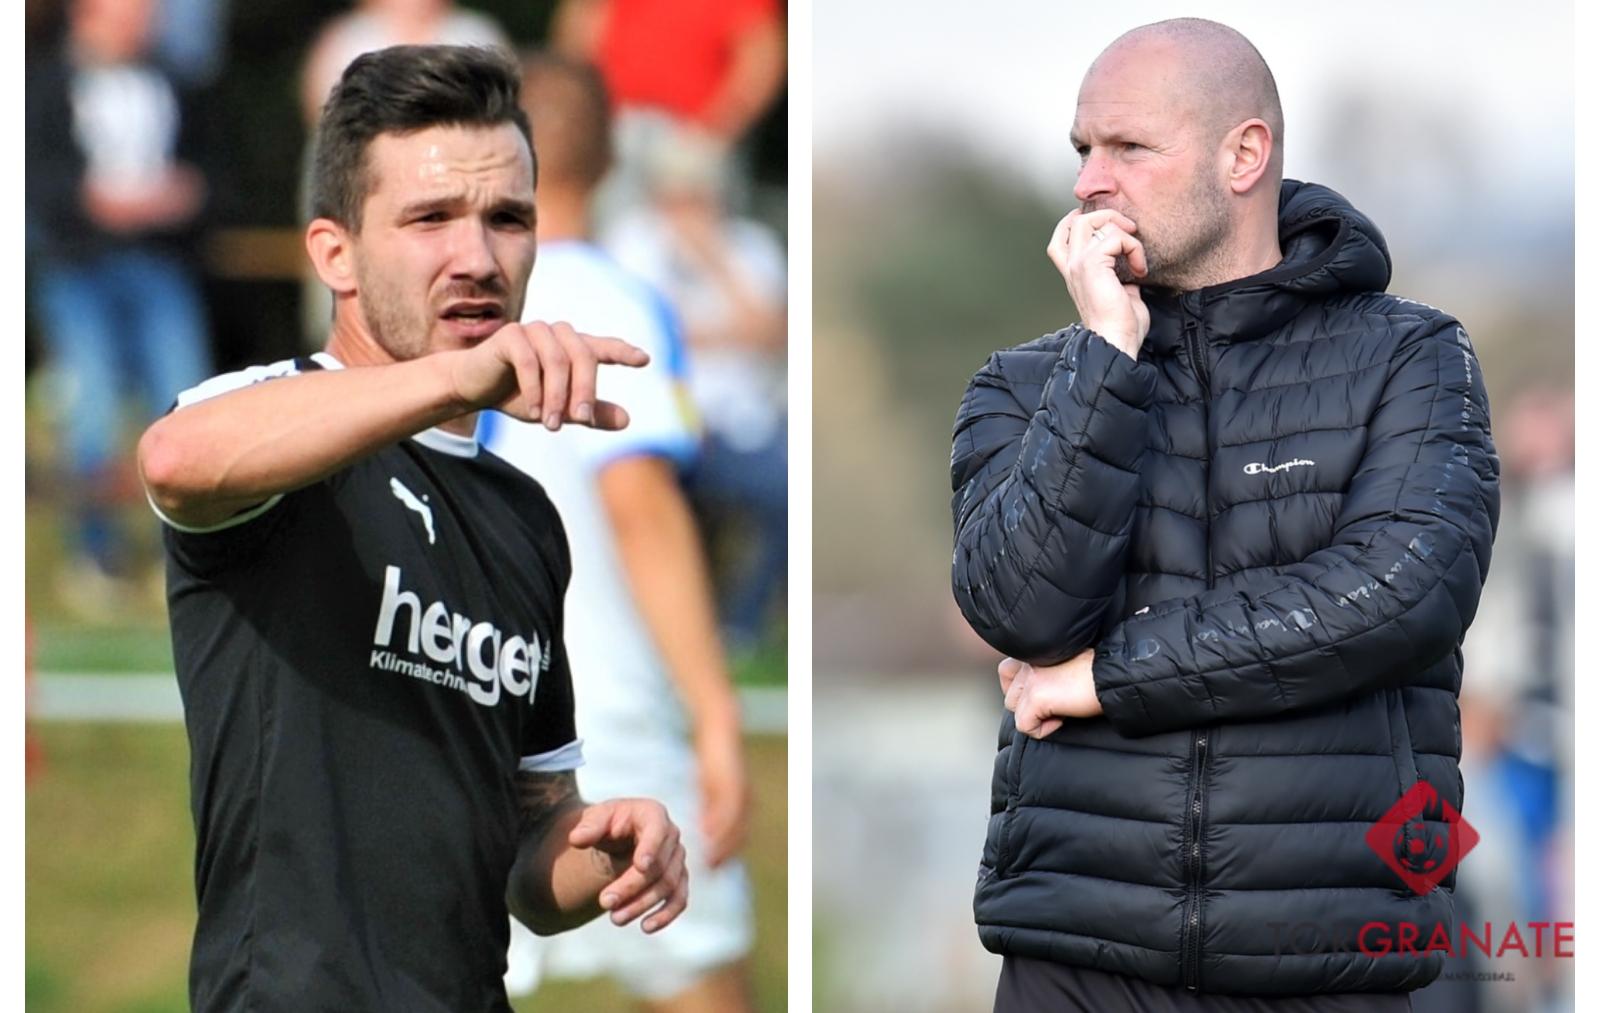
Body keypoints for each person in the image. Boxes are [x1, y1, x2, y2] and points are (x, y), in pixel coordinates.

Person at [948, 19, 1499, 1010]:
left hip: (1325, 957)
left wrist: (1105, 677)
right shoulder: (1028, 385)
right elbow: (1020, 610)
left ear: (1243, 156)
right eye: (1083, 148)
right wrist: (1104, 359)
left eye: (1129, 147)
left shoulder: (1410, 356)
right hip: (1073, 956)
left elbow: (1393, 598)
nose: (1089, 182)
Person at [137, 45, 688, 1012]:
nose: (477, 259)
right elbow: (176, 461)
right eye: (430, 219)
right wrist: (453, 377)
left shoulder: (525, 519)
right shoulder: (272, 422)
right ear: (334, 254)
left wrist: (604, 849)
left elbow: (528, 849)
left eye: (507, 218)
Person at [485, 54, 755, 1011]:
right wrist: (716, 713)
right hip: (604, 712)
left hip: (466, 706)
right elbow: (640, 512)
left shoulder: (451, 303)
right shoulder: (612, 300)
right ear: (609, 160)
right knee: (702, 975)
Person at [26, 0, 213, 606]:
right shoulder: (43, 83)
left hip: (160, 264)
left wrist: (187, 195)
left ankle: (186, 552)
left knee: (186, 406)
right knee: (94, 410)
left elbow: (210, 173)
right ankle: (95, 553)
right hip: (79, 267)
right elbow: (36, 181)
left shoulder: (175, 81)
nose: (144, 20)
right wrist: (89, 203)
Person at [604, 125, 788, 650]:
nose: (686, 210)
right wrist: (726, 331)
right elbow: (645, 335)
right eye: (676, 196)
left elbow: (772, 332)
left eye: (698, 196)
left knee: (789, 491)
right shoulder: (634, 242)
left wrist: (714, 259)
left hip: (741, 422)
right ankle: (648, 622)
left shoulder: (751, 247)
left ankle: (739, 626)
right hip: (662, 416)